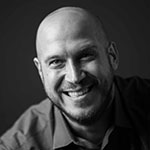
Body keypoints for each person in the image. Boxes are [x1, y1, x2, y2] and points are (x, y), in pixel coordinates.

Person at [0, 6, 149, 150]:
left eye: (85, 56)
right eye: (56, 62)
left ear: (112, 57)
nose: (75, 77)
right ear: (40, 70)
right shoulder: (17, 146)